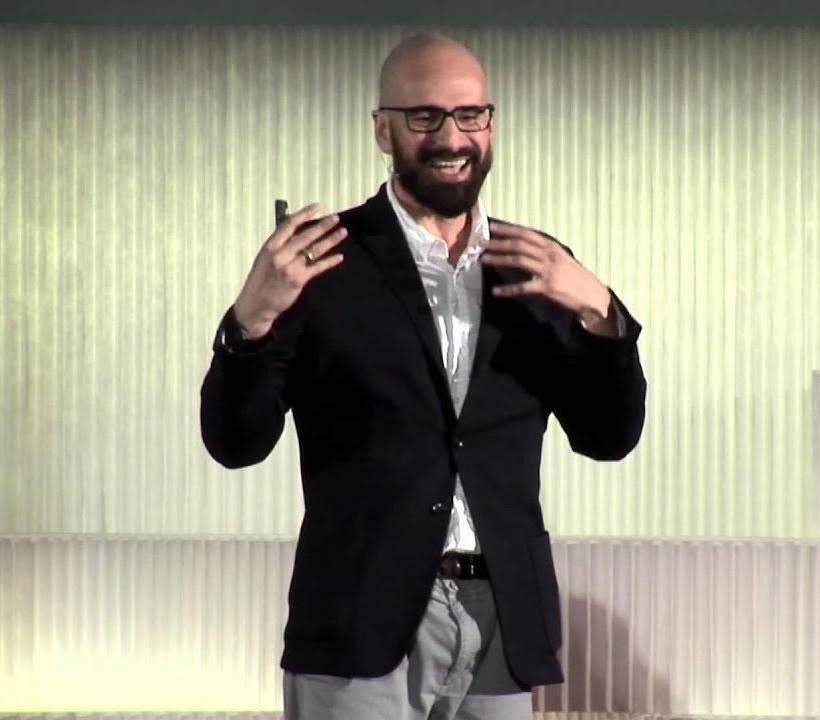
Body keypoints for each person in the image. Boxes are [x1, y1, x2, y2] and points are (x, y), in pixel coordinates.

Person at [200, 33, 646, 720]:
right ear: (384, 130)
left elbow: (608, 436)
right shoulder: (322, 264)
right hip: (358, 620)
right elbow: (235, 442)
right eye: (425, 117)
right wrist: (250, 322)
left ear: (491, 124)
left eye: (470, 115)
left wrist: (602, 312)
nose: (452, 137)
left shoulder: (538, 266)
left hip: (503, 618)